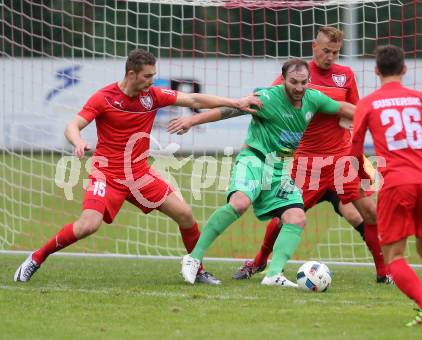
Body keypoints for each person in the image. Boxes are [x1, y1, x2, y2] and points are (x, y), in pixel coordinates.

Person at [13, 48, 261, 285]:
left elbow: (193, 98)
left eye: (153, 75)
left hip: (140, 174)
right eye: (148, 76)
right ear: (131, 74)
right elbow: (72, 126)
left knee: (185, 215)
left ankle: (198, 270)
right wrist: (78, 142)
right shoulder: (104, 98)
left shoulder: (152, 96)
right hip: (106, 174)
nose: (152, 81)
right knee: (88, 225)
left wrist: (236, 102)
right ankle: (36, 258)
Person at [170, 58, 355, 286]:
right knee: (239, 203)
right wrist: (192, 120)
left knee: (296, 218)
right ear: (283, 79)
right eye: (293, 82)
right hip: (254, 160)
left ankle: (273, 274)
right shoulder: (267, 98)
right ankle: (193, 258)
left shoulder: (313, 98)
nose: (298, 88)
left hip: (279, 169)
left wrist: (369, 118)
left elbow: (343, 108)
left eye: (303, 82)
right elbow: (230, 111)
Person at [233, 26, 390, 284]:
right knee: (285, 214)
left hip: (342, 160)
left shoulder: (345, 75)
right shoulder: (299, 75)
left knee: (366, 213)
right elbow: (271, 99)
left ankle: (384, 272)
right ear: (314, 47)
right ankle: (259, 261)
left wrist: (353, 122)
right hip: (307, 163)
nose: (330, 57)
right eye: (326, 50)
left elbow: (354, 110)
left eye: (336, 52)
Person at [351, 45, 422, 326]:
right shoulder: (420, 98)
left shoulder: (368, 103)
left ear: (376, 71)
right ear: (404, 69)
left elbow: (354, 149)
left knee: (393, 255)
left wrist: (363, 178)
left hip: (397, 184)